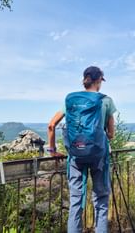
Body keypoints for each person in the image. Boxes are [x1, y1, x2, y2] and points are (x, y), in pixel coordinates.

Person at [47, 66, 117, 233]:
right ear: (99, 80)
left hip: (76, 156)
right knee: (100, 199)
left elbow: (51, 126)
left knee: (76, 200)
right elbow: (112, 134)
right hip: (98, 156)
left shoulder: (71, 100)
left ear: (85, 80)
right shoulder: (106, 100)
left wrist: (53, 150)